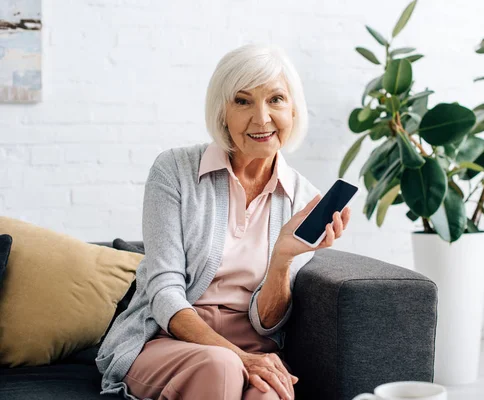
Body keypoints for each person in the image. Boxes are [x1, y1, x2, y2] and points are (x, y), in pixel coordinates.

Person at [95, 43, 351, 400]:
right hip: (168, 341)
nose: (261, 118)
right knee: (221, 367)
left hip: (254, 347)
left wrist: (283, 258)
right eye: (243, 101)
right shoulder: (174, 171)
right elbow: (164, 292)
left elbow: (269, 323)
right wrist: (237, 357)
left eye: (276, 99)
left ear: (294, 109)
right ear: (222, 112)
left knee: (269, 394)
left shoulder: (303, 199)